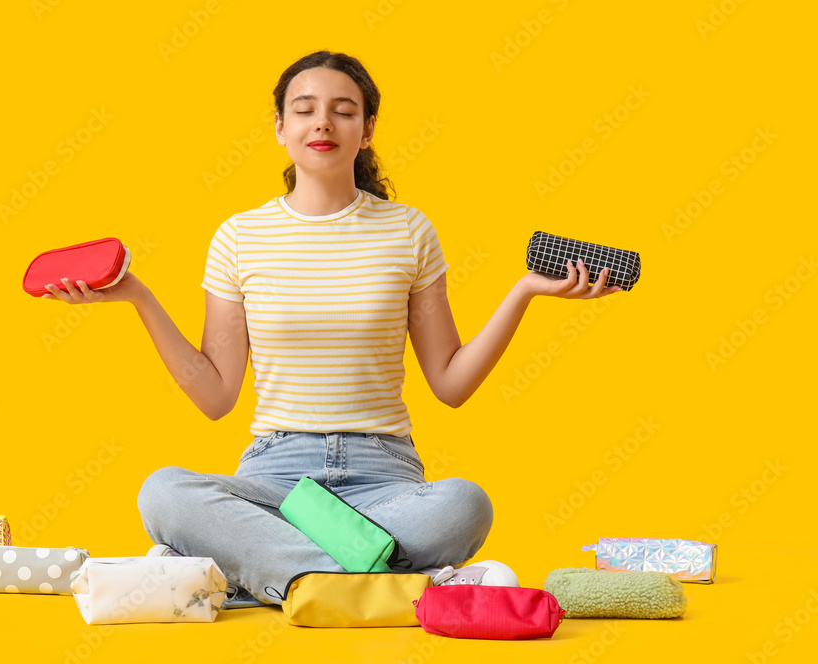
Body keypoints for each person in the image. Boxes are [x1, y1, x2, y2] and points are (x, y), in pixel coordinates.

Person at [41, 50, 621, 608]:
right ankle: (379, 580)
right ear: (280, 126)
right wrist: (139, 297)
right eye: (305, 108)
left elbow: (450, 383)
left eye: (344, 110)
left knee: (464, 505)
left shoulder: (408, 232)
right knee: (164, 492)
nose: (323, 122)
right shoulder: (239, 237)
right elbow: (216, 396)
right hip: (275, 478)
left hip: (385, 479)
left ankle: (266, 574)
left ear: (366, 129)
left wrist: (523, 293)